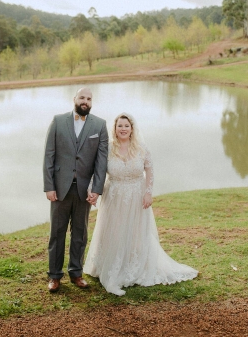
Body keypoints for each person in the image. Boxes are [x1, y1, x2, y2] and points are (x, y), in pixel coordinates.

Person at [84, 112, 198, 296]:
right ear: (115, 129)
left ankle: (133, 265)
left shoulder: (141, 148)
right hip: (114, 197)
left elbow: (149, 170)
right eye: (119, 126)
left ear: (132, 129)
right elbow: (97, 172)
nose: (123, 129)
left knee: (135, 232)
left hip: (137, 197)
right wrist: (92, 190)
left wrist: (148, 193)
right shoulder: (107, 148)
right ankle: (110, 266)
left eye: (126, 126)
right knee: (115, 231)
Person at [43, 87, 108, 292]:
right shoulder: (58, 121)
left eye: (89, 98)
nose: (85, 101)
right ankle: (54, 276)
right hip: (60, 190)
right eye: (82, 97)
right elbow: (49, 156)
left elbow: (101, 161)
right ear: (74, 99)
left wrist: (96, 189)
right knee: (57, 233)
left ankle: (76, 273)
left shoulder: (100, 125)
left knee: (80, 233)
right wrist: (49, 186)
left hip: (84, 190)